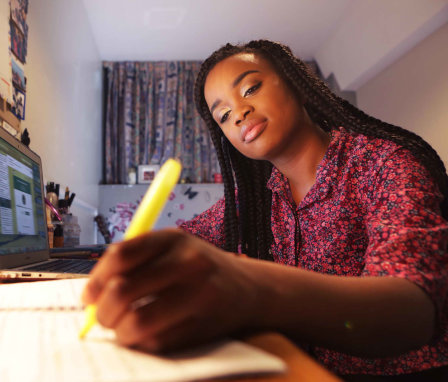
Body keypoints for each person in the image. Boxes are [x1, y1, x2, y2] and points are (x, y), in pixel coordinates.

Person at [82, 40, 448, 381]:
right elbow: (187, 238)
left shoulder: (384, 163)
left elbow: (412, 313)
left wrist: (251, 288)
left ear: (297, 85)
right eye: (223, 115)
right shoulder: (258, 198)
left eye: (250, 89)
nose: (239, 114)